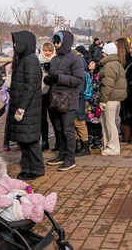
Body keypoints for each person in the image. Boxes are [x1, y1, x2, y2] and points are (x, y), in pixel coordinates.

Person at [0, 153, 57, 222]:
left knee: (30, 197)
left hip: (12, 195)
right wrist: (0, 201)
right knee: (19, 207)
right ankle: (33, 213)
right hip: (3, 203)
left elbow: (11, 182)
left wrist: (23, 185)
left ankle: (45, 202)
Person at [8, 31, 45, 180]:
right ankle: (27, 166)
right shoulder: (23, 59)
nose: (15, 45)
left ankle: (36, 168)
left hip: (28, 108)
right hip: (21, 106)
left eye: (17, 42)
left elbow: (30, 86)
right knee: (23, 139)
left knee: (30, 140)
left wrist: (22, 107)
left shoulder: (31, 60)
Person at [45, 31, 84, 171]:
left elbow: (79, 80)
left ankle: (70, 158)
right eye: (54, 41)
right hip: (55, 99)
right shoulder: (55, 59)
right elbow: (53, 76)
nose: (56, 45)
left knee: (68, 130)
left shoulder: (75, 59)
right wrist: (49, 79)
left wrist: (58, 78)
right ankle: (61, 154)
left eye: (58, 41)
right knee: (59, 129)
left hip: (68, 100)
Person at [97, 42, 128, 156]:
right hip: (112, 97)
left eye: (103, 52)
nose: (102, 54)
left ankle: (113, 147)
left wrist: (103, 100)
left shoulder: (109, 66)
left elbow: (107, 85)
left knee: (109, 123)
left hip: (110, 98)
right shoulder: (116, 64)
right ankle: (108, 145)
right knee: (107, 122)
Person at [38, 42, 55, 151]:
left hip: (53, 93)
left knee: (54, 117)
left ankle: (58, 141)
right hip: (41, 93)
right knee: (42, 118)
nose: (48, 53)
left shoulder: (55, 61)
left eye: (50, 51)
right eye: (46, 50)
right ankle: (45, 141)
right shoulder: (38, 62)